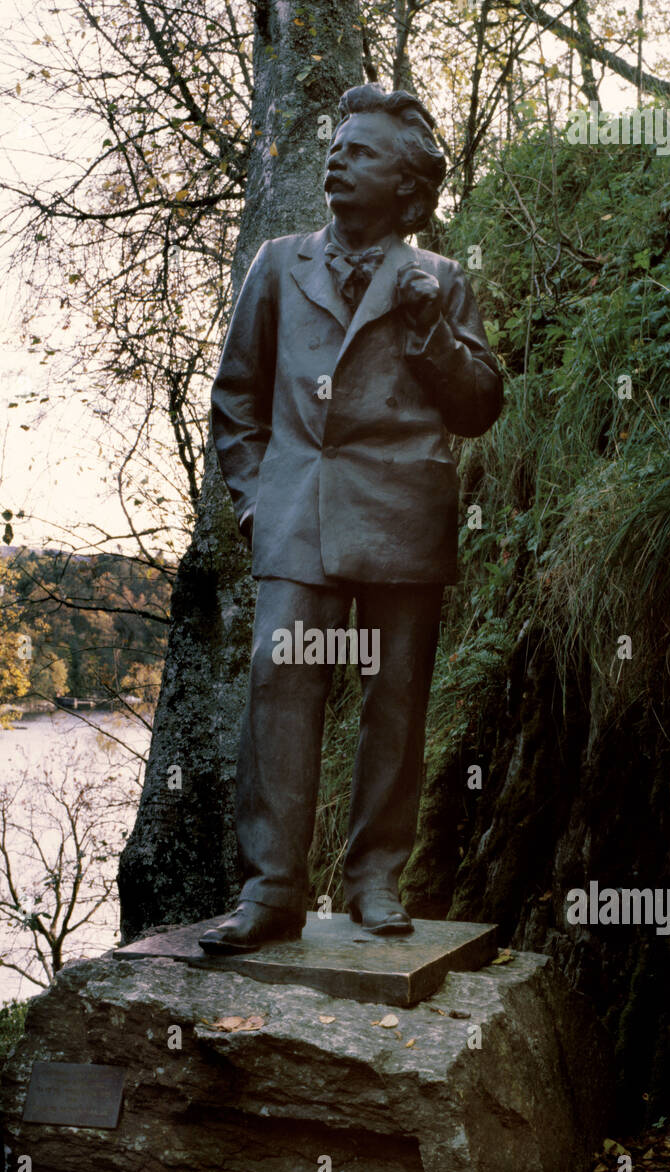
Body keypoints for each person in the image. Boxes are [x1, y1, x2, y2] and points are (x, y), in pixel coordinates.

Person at [200, 83, 503, 954]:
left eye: (362, 150)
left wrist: (429, 330)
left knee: (395, 703)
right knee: (281, 691)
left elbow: (480, 405)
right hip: (295, 515)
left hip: (405, 516)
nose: (338, 158)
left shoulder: (440, 278)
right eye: (338, 145)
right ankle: (271, 890)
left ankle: (375, 879)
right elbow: (236, 397)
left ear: (409, 188)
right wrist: (256, 499)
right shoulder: (277, 262)